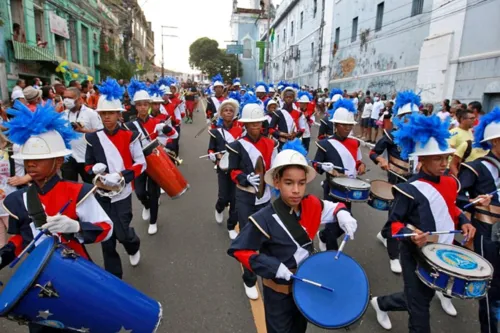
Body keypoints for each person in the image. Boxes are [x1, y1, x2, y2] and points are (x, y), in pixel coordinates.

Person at [0, 101, 113, 333]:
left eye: (39, 159)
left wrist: (76, 226)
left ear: (58, 161)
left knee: (80, 326)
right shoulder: (16, 200)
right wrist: (5, 254)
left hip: (76, 270)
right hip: (37, 277)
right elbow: (20, 237)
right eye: (27, 160)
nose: (31, 164)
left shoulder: (77, 192)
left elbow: (106, 228)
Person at [370, 113, 488, 332]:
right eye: (437, 158)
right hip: (414, 255)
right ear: (422, 159)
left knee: (420, 297)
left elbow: (450, 207)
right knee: (420, 313)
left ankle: (381, 303)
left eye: (446, 157)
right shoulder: (408, 189)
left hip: (442, 252)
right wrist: (411, 234)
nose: (444, 163)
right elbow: (391, 227)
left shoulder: (451, 183)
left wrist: (463, 220)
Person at [228, 141, 358, 333]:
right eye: (289, 183)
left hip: (305, 288)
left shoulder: (311, 204)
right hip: (278, 293)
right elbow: (238, 249)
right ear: (277, 182)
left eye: (302, 183)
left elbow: (331, 207)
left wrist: (342, 213)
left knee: (299, 329)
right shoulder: (263, 218)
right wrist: (273, 267)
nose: (296, 190)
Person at [84, 78, 144, 279]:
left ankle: (133, 244)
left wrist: (120, 176)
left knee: (122, 233)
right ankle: (115, 279)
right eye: (103, 114)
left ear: (119, 114)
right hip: (101, 193)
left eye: (110, 113)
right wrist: (95, 170)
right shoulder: (92, 138)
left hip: (123, 192)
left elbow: (140, 164)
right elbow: (86, 165)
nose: (107, 117)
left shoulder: (131, 135)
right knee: (106, 237)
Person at [227, 93, 277, 300]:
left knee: (266, 238)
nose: (255, 126)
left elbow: (275, 167)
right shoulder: (237, 145)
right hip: (245, 197)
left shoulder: (270, 143)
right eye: (251, 123)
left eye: (258, 122)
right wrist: (245, 179)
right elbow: (231, 171)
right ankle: (249, 279)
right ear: (245, 124)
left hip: (265, 197)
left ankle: (266, 269)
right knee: (248, 238)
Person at [458, 106, 500, 333]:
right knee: (489, 287)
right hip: (486, 234)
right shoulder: (477, 168)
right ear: (494, 142)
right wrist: (474, 201)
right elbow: (456, 197)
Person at [369, 90, 420, 274]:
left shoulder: (421, 138)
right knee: (396, 219)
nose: (411, 120)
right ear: (400, 117)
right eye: (407, 116)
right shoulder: (391, 135)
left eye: (414, 116)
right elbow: (373, 152)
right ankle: (394, 256)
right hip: (396, 183)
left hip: (415, 183)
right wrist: (381, 160)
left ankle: (384, 235)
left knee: (406, 217)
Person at [125, 80, 178, 235]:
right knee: (140, 192)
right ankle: (146, 205)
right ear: (136, 106)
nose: (142, 107)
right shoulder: (130, 125)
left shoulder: (157, 122)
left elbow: (174, 135)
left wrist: (165, 131)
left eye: (145, 104)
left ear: (148, 105)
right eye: (139, 104)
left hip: (155, 161)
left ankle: (153, 221)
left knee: (154, 193)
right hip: (139, 162)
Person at [313, 99, 366, 251]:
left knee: (345, 223)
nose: (348, 128)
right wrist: (325, 167)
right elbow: (315, 165)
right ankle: (331, 257)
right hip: (332, 188)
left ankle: (322, 236)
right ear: (336, 125)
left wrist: (361, 166)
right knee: (332, 223)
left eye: (350, 125)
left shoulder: (354, 143)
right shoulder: (325, 144)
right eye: (344, 125)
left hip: (348, 189)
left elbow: (358, 162)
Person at [207, 96, 242, 239]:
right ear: (221, 114)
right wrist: (216, 156)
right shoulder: (216, 131)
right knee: (223, 197)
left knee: (235, 199)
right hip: (222, 169)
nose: (228, 112)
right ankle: (219, 207)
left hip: (237, 168)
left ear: (234, 114)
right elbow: (210, 150)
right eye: (225, 110)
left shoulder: (241, 130)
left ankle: (231, 225)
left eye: (231, 111)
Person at [61, 87, 102, 184]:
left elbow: (100, 132)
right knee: (69, 187)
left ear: (79, 99)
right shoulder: (62, 115)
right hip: (68, 158)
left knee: (91, 188)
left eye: (70, 97)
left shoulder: (90, 113)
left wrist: (83, 130)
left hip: (86, 158)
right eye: (65, 97)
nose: (66, 100)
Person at [0, 133, 31, 247]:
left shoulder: (12, 149)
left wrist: (24, 179)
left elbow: (37, 167)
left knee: (20, 240)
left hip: (11, 203)